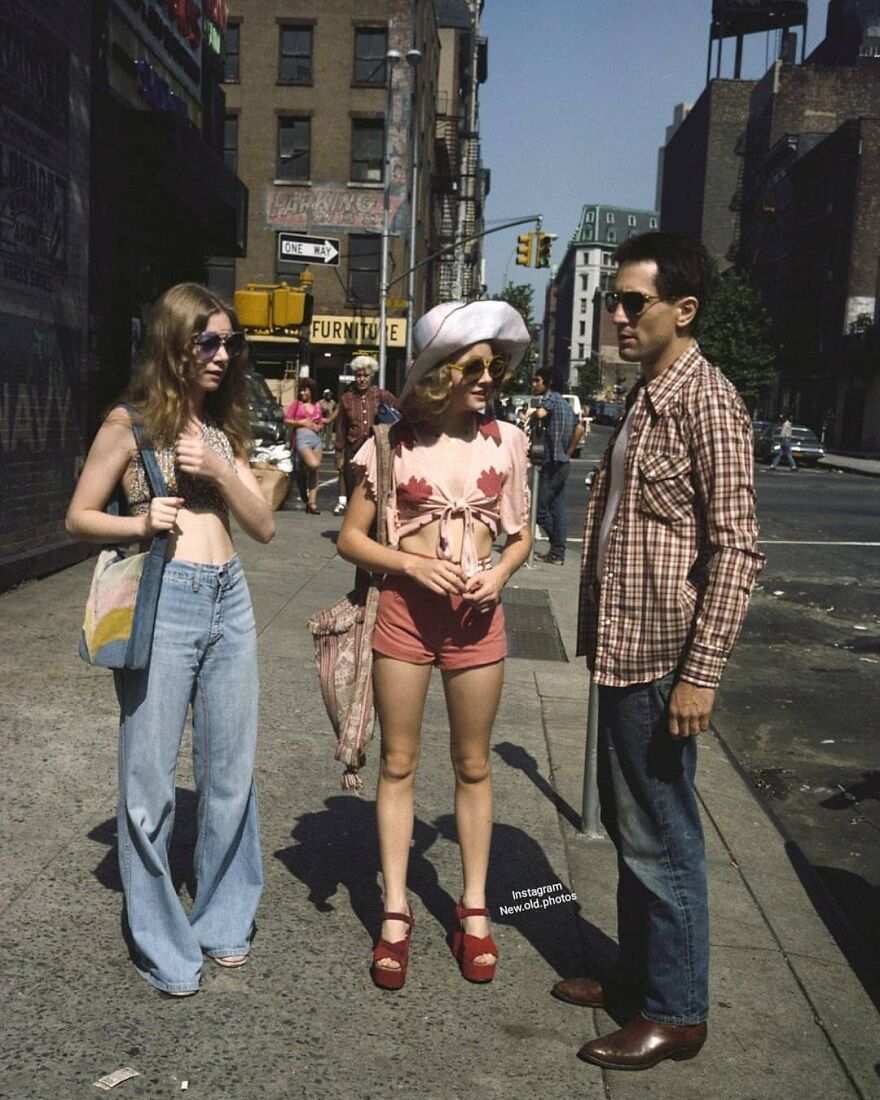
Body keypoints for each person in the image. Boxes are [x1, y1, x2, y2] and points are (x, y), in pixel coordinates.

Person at [554, 233, 764, 1069]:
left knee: (661, 837)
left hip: (663, 660)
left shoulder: (706, 400)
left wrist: (700, 675)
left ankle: (676, 1013)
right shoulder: (647, 395)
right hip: (624, 648)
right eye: (614, 299)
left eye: (632, 301)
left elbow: (739, 548)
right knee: (628, 823)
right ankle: (636, 976)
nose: (617, 314)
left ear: (683, 310)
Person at [66, 283, 275, 996]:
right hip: (168, 602)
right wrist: (139, 521)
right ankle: (161, 940)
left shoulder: (221, 426)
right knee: (150, 782)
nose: (222, 355)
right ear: (174, 343)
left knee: (230, 775)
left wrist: (218, 466)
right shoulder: (129, 425)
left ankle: (223, 920)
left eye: (231, 342)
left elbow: (264, 525)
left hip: (231, 599)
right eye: (208, 341)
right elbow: (78, 517)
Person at [336, 300, 532, 991]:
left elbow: (521, 536)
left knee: (474, 765)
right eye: (475, 365)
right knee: (397, 762)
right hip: (405, 618)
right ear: (440, 373)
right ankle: (396, 913)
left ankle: (473, 912)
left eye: (495, 365)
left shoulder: (505, 441)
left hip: (479, 621)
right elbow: (350, 539)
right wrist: (412, 564)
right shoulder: (391, 446)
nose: (489, 377)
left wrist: (502, 572)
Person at [530, 367, 584, 565]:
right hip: (563, 462)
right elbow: (579, 428)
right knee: (557, 508)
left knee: (539, 509)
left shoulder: (550, 398)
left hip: (552, 462)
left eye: (537, 380)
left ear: (548, 382)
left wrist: (531, 417)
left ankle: (557, 548)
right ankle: (557, 555)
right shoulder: (567, 405)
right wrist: (568, 452)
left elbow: (542, 413)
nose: (534, 384)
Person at [333, 355, 397, 515]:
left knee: (374, 490)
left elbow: (399, 414)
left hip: (375, 451)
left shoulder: (382, 395)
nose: (361, 379)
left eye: (365, 375)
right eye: (358, 375)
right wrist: (339, 453)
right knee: (353, 488)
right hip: (353, 450)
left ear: (372, 375)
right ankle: (354, 527)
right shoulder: (346, 398)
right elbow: (341, 427)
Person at [284, 378, 325, 514]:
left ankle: (312, 503)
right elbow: (286, 420)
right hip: (302, 438)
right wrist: (301, 422)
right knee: (313, 465)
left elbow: (320, 422)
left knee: (314, 470)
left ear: (311, 391)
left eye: (305, 390)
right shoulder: (296, 404)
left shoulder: (318, 406)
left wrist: (319, 426)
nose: (302, 393)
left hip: (316, 439)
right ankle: (301, 480)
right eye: (301, 390)